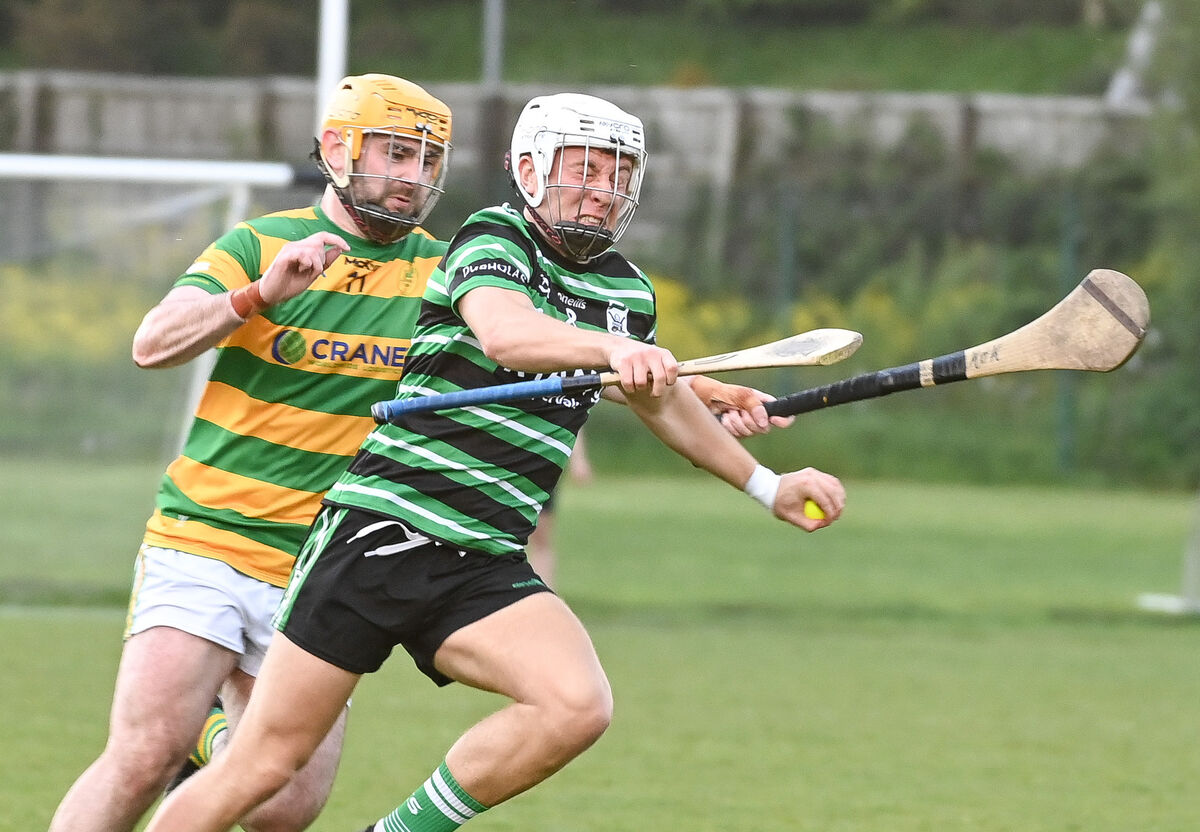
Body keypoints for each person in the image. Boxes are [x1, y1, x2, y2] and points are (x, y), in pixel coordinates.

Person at [142, 91, 846, 832]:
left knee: (575, 705)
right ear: (531, 171)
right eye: (583, 169)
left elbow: (660, 403)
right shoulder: (494, 238)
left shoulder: (625, 291)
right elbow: (506, 333)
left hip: (482, 555)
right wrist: (616, 352)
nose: (602, 190)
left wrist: (766, 483)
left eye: (617, 174)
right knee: (265, 765)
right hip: (381, 532)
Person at [48, 73, 455, 832]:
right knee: (145, 755)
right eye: (396, 154)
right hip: (206, 534)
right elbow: (151, 343)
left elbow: (535, 346)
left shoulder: (446, 273)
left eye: (428, 161)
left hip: (323, 563)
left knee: (286, 805)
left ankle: (213, 737)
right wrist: (258, 296)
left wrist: (659, 380)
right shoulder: (260, 243)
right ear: (337, 148)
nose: (413, 177)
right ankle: (195, 734)